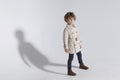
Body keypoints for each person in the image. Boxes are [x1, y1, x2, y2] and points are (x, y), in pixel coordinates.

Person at [63, 12, 89, 76]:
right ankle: (69, 70)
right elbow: (65, 39)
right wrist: (66, 47)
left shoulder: (75, 27)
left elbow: (77, 36)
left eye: (72, 19)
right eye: (70, 19)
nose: (72, 21)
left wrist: (80, 43)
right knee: (70, 58)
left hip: (76, 44)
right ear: (66, 20)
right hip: (71, 46)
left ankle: (81, 64)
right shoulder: (66, 30)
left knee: (79, 54)